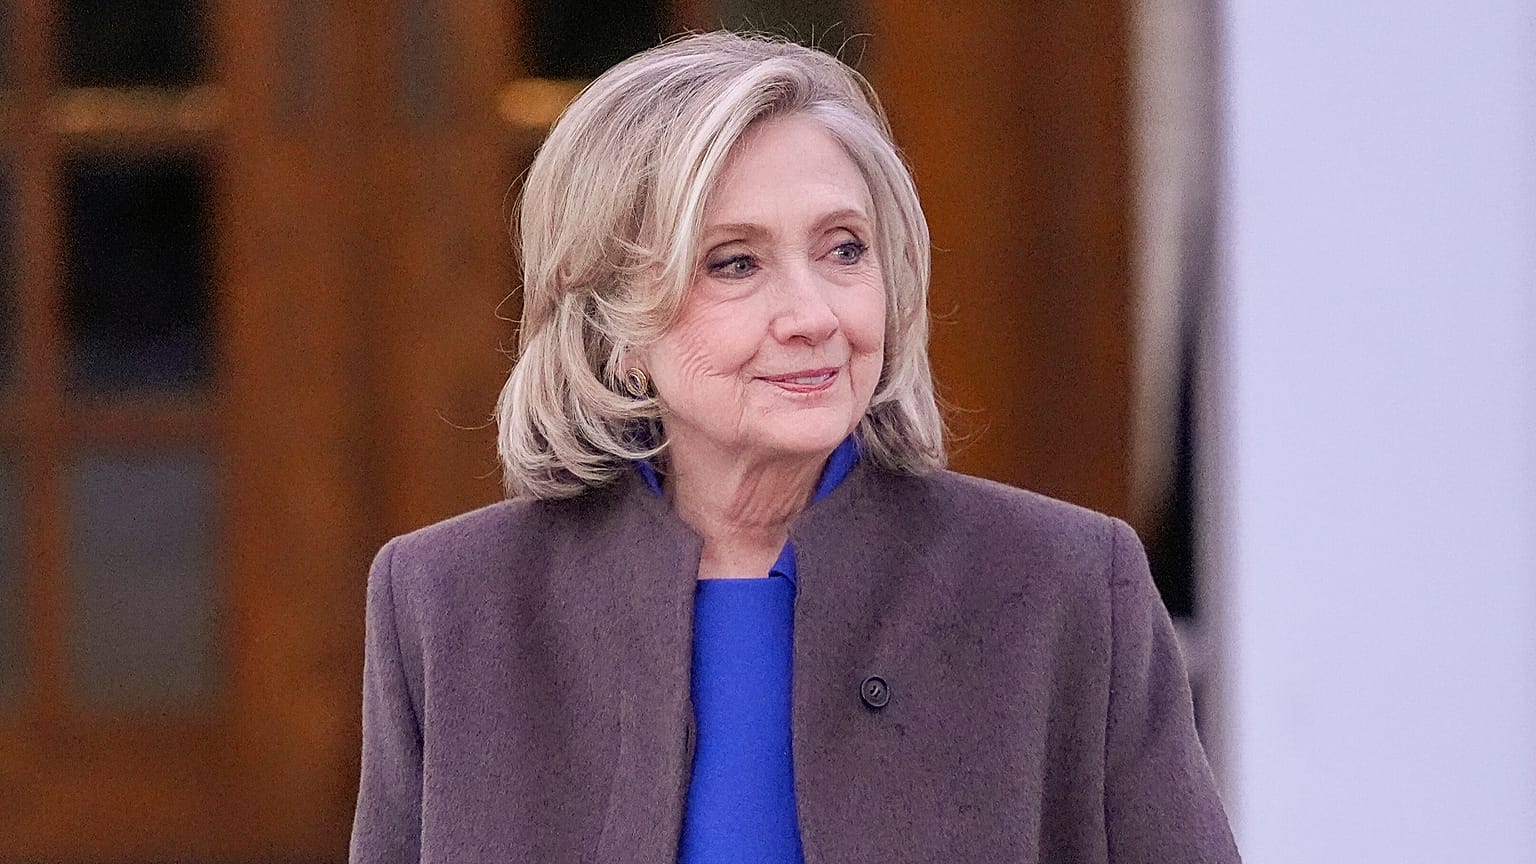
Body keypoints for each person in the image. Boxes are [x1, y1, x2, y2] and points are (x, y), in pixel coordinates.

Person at [349, 31, 1240, 864]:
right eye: (735, 262)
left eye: (844, 250)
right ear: (613, 324)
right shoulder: (447, 604)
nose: (814, 316)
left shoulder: (1067, 584)